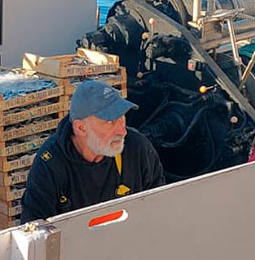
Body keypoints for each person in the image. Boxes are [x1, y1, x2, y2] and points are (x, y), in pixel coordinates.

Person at [20, 80, 165, 223]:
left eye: (122, 118)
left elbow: (161, 208)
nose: (122, 131)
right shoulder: (51, 164)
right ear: (80, 128)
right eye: (109, 122)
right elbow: (35, 231)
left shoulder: (137, 148)